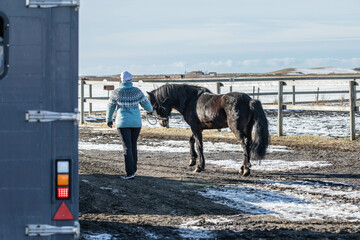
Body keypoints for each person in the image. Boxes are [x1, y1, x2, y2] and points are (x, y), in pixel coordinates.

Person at [106, 71, 153, 180]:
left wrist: (109, 120)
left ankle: (130, 172)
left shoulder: (116, 92)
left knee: (127, 147)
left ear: (121, 80)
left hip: (123, 123)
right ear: (131, 80)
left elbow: (110, 107)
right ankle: (133, 169)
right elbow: (146, 104)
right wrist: (150, 110)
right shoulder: (137, 91)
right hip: (136, 123)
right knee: (133, 145)